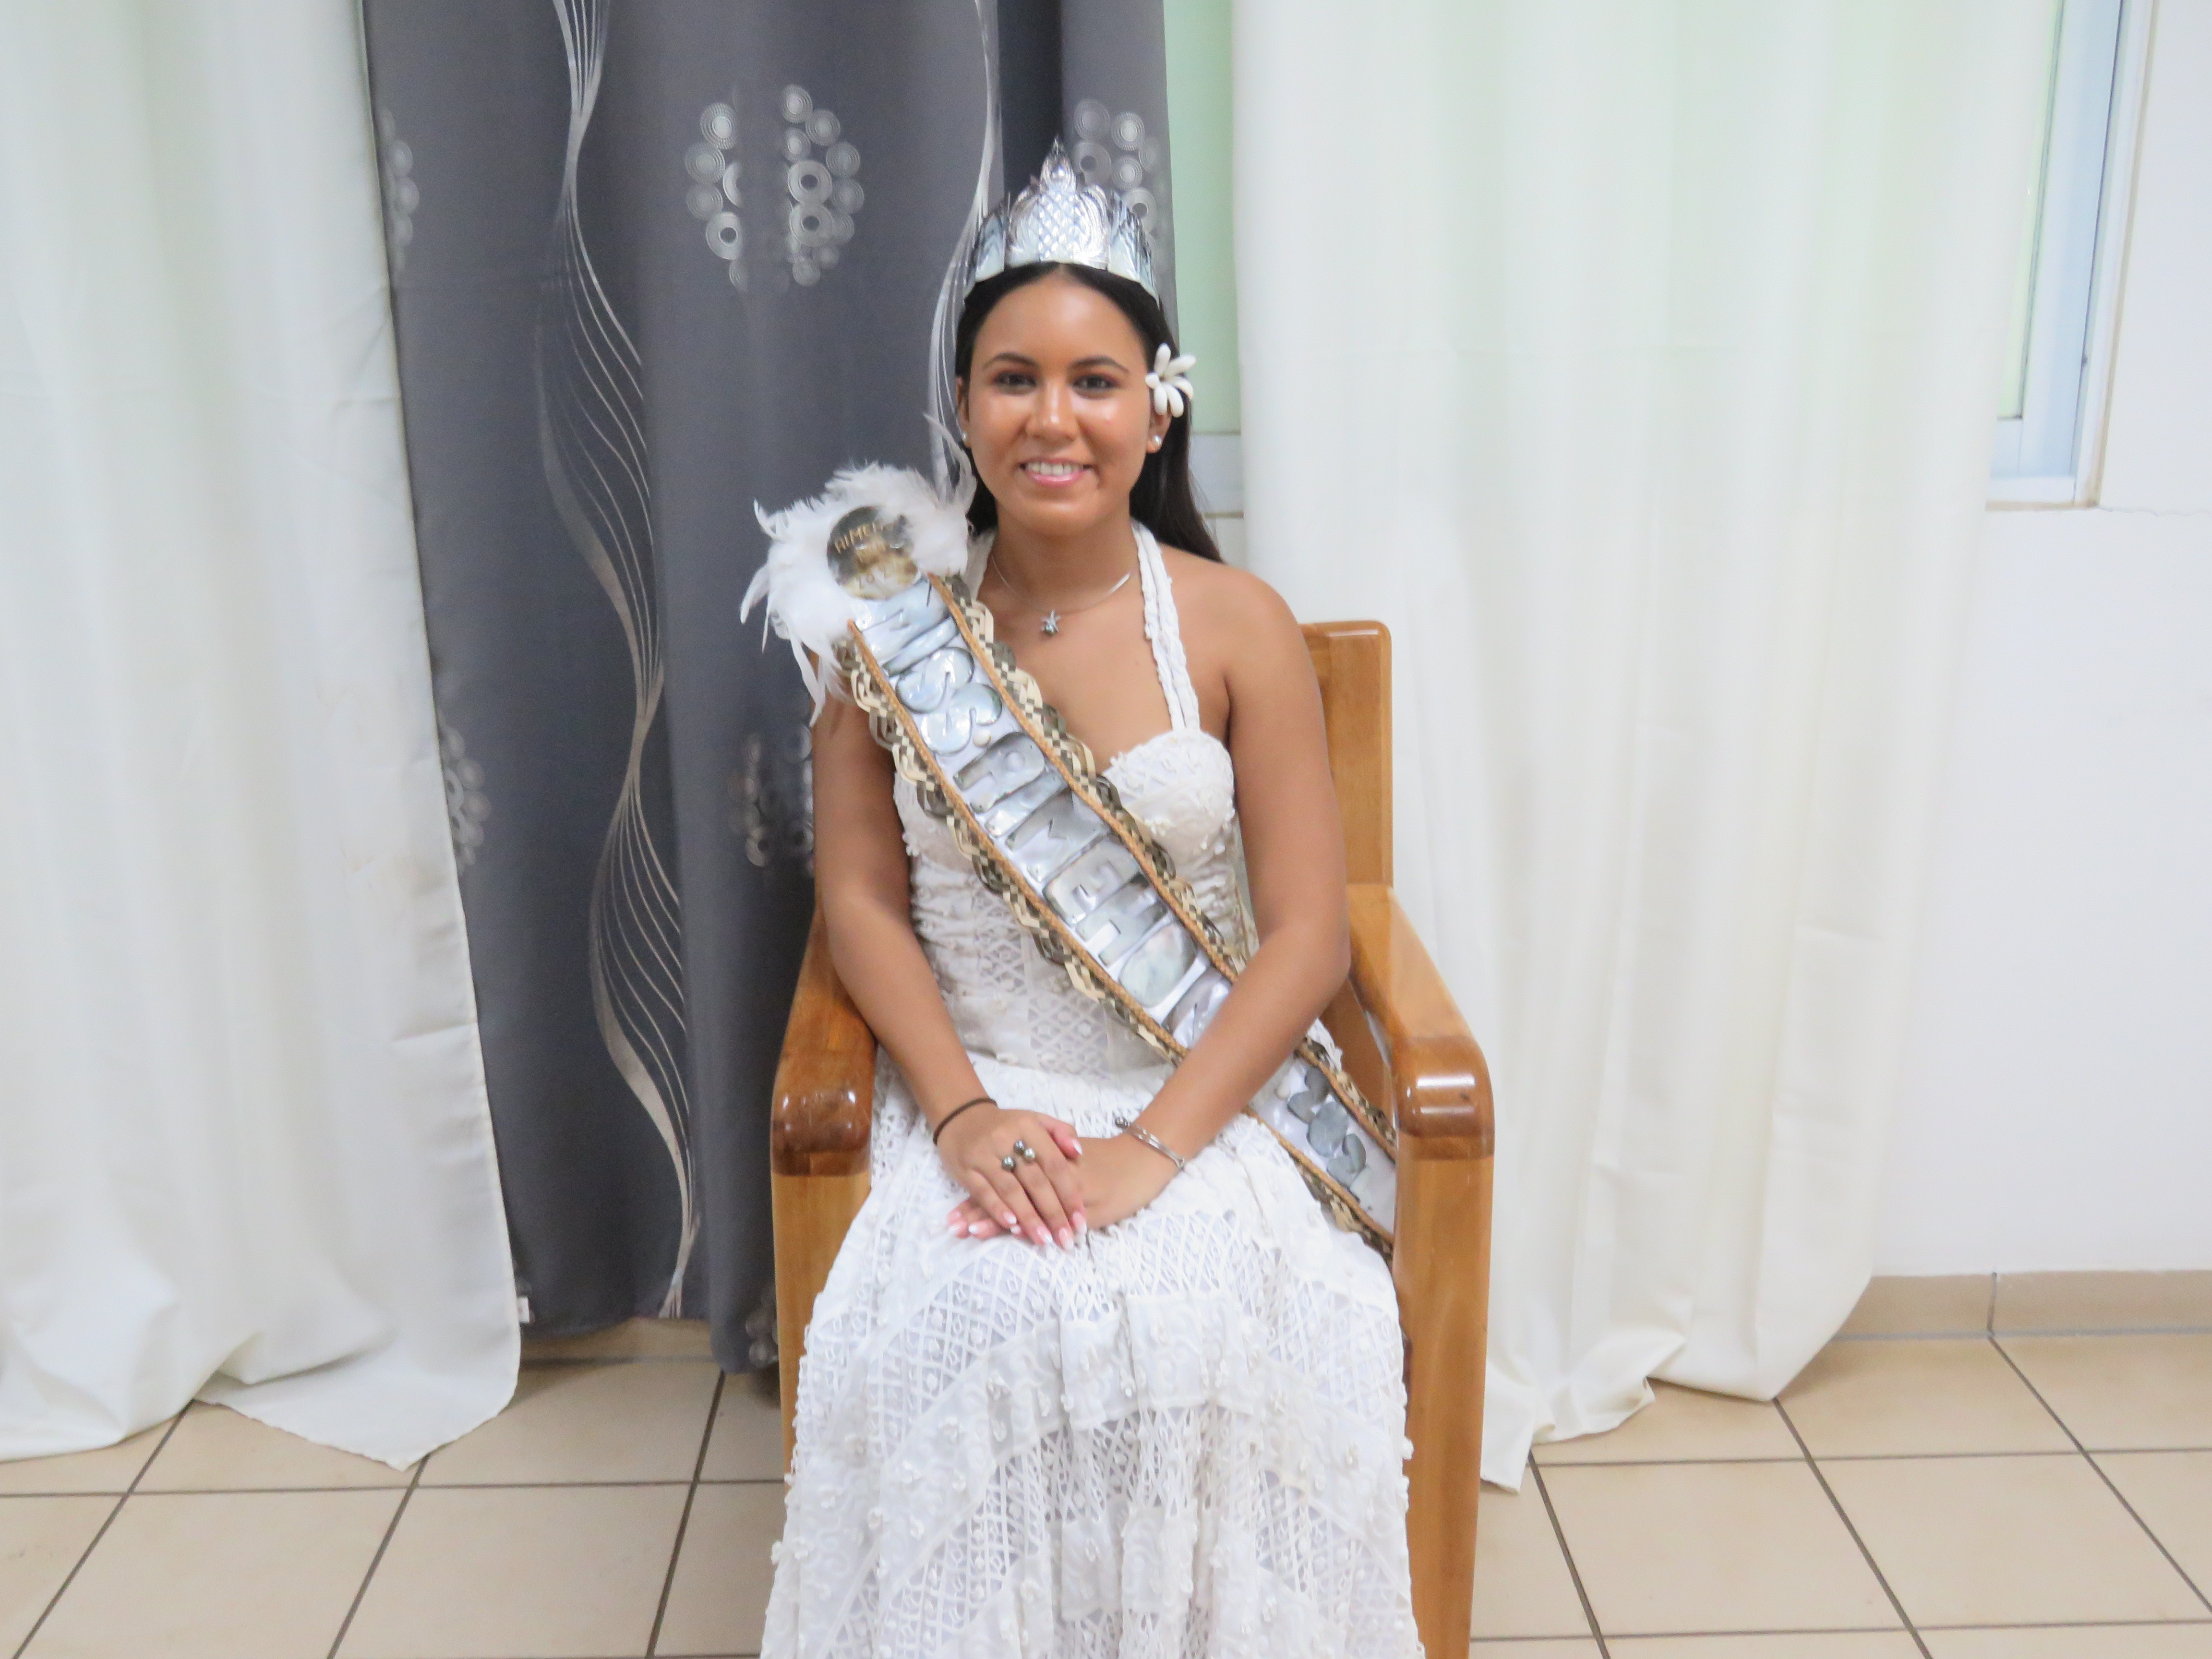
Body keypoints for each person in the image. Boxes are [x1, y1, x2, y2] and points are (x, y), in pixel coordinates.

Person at [761, 150, 1420, 1658]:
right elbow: (858, 902)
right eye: (1014, 379)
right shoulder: (886, 626)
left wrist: (1152, 1149)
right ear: (964, 403)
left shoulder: (1237, 623)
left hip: (1201, 1090)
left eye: (1095, 381)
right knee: (983, 1320)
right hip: (973, 1087)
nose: (1053, 418)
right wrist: (964, 1112)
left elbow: (1309, 934)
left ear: (1156, 407)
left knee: (1210, 1319)